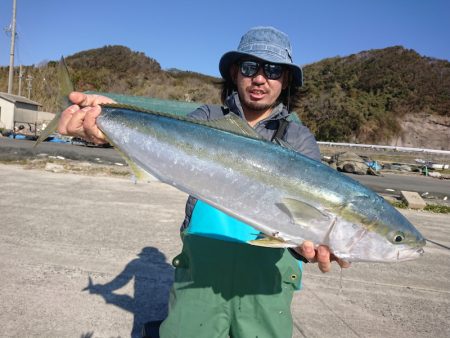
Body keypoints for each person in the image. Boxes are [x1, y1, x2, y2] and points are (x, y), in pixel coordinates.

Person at [58, 26, 350, 338]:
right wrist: (107, 121)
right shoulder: (207, 119)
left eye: (274, 70)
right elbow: (160, 137)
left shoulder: (298, 138)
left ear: (286, 80)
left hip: (266, 284)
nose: (260, 78)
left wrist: (307, 244)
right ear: (236, 72)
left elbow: (304, 219)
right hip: (200, 271)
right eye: (251, 67)